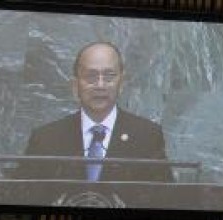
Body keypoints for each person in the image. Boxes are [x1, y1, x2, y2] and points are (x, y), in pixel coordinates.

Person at [15, 41, 172, 183]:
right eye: (91, 76)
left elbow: (164, 198)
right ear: (75, 86)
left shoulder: (148, 136)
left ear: (121, 83)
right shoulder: (45, 138)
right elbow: (20, 195)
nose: (100, 85)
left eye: (109, 76)